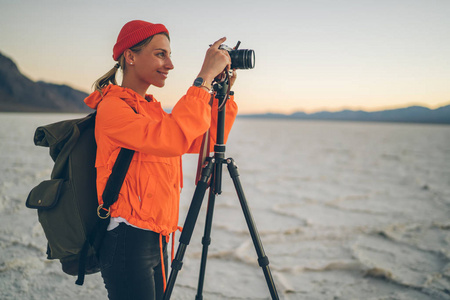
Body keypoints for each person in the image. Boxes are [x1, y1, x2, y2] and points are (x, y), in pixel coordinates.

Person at [84, 20, 238, 300]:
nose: (170, 64)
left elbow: (201, 139)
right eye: (160, 54)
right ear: (130, 57)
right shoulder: (113, 109)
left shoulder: (152, 111)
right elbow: (172, 138)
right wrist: (202, 79)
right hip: (127, 239)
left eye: (169, 55)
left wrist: (220, 96)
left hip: (157, 236)